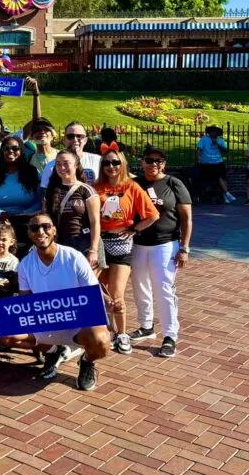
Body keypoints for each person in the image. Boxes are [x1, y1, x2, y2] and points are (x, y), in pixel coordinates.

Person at [0, 213, 111, 390]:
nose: (40, 231)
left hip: (76, 322)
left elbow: (92, 292)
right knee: (6, 334)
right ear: (29, 233)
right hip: (48, 322)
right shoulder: (25, 264)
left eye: (46, 226)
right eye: (34, 228)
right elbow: (25, 302)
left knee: (102, 341)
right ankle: (52, 351)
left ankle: (87, 361)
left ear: (54, 230)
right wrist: (3, 315)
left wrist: (109, 303)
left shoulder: (74, 257)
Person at [94, 142, 159, 355]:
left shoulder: (131, 186)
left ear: (122, 164)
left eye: (115, 163)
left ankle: (122, 333)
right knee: (97, 290)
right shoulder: (95, 187)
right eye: (106, 163)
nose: (111, 167)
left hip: (121, 244)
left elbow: (152, 215)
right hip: (101, 244)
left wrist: (134, 229)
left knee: (117, 293)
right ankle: (109, 330)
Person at [130, 146, 192, 359]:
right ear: (142, 162)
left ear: (164, 163)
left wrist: (184, 247)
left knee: (164, 288)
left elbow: (186, 218)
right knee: (140, 286)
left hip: (165, 244)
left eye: (158, 160)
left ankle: (170, 335)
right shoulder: (135, 183)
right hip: (138, 244)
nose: (153, 164)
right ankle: (146, 325)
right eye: (149, 160)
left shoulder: (174, 184)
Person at [0, 136, 41, 250]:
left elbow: (40, 200)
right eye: (6, 148)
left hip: (26, 225)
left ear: (21, 151)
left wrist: (25, 214)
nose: (10, 151)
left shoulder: (32, 172)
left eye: (15, 148)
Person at [43, 150, 102, 269]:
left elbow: (95, 222)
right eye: (58, 164)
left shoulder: (86, 190)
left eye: (66, 163)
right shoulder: (50, 191)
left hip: (84, 242)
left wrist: (93, 250)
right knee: (67, 285)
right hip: (61, 243)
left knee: (87, 285)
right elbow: (46, 218)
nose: (62, 167)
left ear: (76, 165)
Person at [40, 122, 101, 188]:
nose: (75, 139)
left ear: (85, 140)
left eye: (79, 136)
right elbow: (45, 193)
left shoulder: (98, 160)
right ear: (64, 140)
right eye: (70, 136)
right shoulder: (51, 166)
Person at [196, 125, 235, 203]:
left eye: (215, 132)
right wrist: (198, 158)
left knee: (222, 179)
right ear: (209, 132)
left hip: (218, 162)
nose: (213, 133)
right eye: (211, 131)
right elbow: (199, 149)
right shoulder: (204, 139)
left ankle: (225, 195)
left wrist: (217, 144)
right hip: (207, 163)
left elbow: (225, 150)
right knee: (218, 178)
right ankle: (226, 194)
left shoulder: (220, 140)